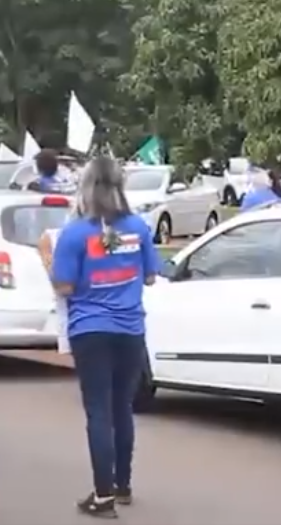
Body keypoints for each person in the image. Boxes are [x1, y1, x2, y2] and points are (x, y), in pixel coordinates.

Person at [51, 156, 162, 517]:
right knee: (121, 408)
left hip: (90, 329)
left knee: (98, 411)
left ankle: (102, 496)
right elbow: (149, 277)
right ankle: (122, 485)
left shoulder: (75, 233)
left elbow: (64, 286)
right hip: (130, 329)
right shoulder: (139, 227)